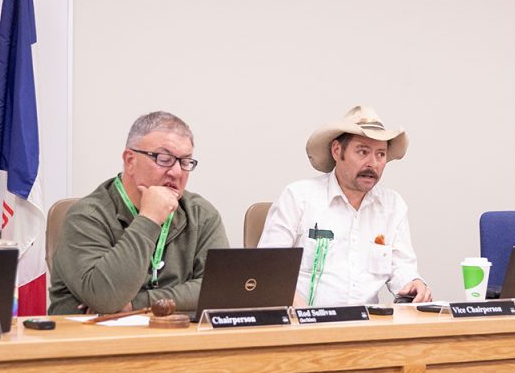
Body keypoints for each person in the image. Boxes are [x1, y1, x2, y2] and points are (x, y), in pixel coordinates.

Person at [48, 111, 228, 315]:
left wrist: (137, 303)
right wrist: (149, 218)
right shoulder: (85, 216)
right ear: (130, 160)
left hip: (176, 339)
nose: (177, 172)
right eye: (164, 159)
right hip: (97, 342)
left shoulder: (202, 214)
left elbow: (221, 289)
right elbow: (105, 298)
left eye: (185, 161)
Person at [258, 105, 431, 306]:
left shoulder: (392, 205)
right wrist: (303, 314)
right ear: (337, 150)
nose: (372, 163)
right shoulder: (298, 197)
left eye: (380, 155)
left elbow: (402, 268)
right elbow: (268, 270)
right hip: (302, 326)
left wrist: (414, 283)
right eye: (363, 152)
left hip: (366, 326)